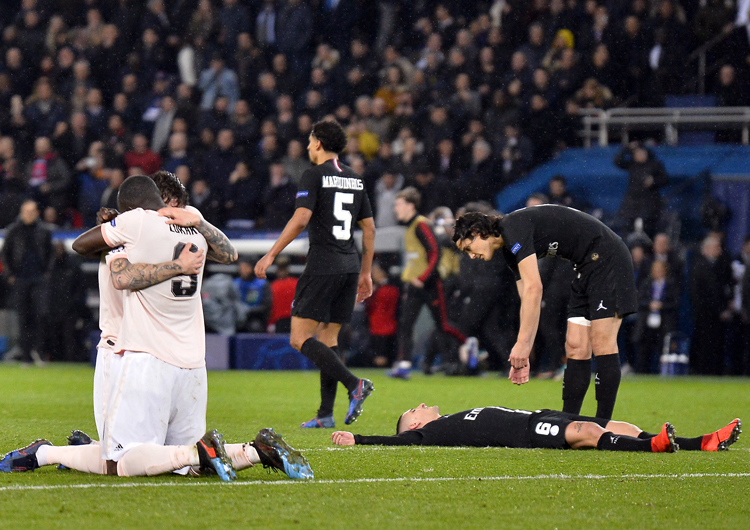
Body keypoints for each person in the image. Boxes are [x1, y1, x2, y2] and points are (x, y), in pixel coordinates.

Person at [453, 205, 637, 420]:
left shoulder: (512, 228)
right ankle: (568, 424)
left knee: (602, 341)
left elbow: (534, 288)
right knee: (576, 347)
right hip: (585, 268)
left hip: (608, 259)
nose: (471, 256)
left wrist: (522, 344)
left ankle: (602, 425)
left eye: (467, 248)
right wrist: (525, 350)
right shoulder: (509, 249)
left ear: (477, 232)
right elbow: (527, 299)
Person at [255, 119, 376, 429]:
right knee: (328, 338)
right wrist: (366, 273)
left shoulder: (313, 174)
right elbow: (370, 229)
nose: (308, 147)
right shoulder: (355, 178)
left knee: (299, 338)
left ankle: (354, 384)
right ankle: (325, 414)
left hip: (323, 265)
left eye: (310, 141)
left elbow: (301, 218)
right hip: (350, 265)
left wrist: (271, 253)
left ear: (320, 143)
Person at [331, 403, 741, 454]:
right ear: (416, 425)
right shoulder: (436, 431)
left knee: (622, 424)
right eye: (413, 409)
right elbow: (401, 442)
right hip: (529, 433)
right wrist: (360, 438)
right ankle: (653, 448)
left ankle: (698, 443)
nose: (420, 405)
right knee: (584, 432)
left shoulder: (456, 416)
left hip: (537, 415)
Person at [1, 427, 313, 481]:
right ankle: (257, 451)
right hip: (188, 356)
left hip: (134, 352)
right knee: (181, 463)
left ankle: (44, 454)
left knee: (119, 463)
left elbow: (84, 245)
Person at [389, 187, 467, 380]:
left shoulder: (421, 224)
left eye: (398, 204)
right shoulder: (410, 226)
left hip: (430, 284)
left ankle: (468, 343)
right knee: (406, 324)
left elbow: (434, 252)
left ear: (410, 205)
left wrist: (423, 278)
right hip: (415, 284)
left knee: (442, 325)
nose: (395, 208)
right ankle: (405, 364)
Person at [1, 200, 52, 365]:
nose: (29, 214)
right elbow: (5, 253)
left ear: (37, 213)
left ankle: (38, 351)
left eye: (32, 211)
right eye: (26, 211)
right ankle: (25, 355)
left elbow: (50, 254)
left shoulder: (44, 231)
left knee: (40, 315)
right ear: (21, 213)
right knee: (23, 317)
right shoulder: (13, 231)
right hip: (21, 279)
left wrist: (47, 274)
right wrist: (9, 275)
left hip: (38, 278)